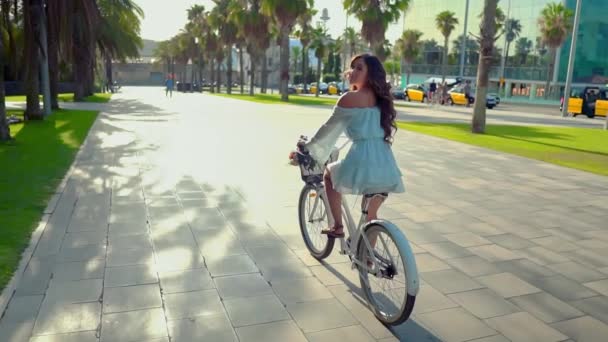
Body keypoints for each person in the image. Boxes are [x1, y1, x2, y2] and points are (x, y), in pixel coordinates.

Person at [292, 53, 405, 238]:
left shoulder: (349, 99)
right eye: (352, 67)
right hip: (386, 164)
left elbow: (327, 131)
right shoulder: (382, 100)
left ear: (371, 74)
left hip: (362, 159)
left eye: (359, 68)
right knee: (370, 215)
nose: (352, 71)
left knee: (329, 174)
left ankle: (337, 226)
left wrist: (307, 150)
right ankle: (369, 261)